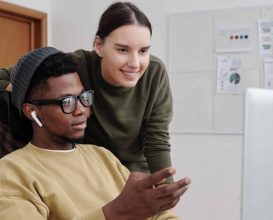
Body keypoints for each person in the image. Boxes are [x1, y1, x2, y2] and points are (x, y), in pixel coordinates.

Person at [0, 47, 191, 219]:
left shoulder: (102, 156)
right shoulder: (12, 172)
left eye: (84, 97)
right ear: (32, 112)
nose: (82, 110)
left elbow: (156, 215)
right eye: (67, 102)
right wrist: (116, 212)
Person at [0, 1, 174, 180]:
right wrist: (17, 88)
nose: (135, 63)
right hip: (89, 172)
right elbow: (11, 75)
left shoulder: (155, 72)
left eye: (143, 51)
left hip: (134, 175)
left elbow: (157, 140)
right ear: (98, 45)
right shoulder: (76, 66)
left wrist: (166, 190)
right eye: (122, 50)